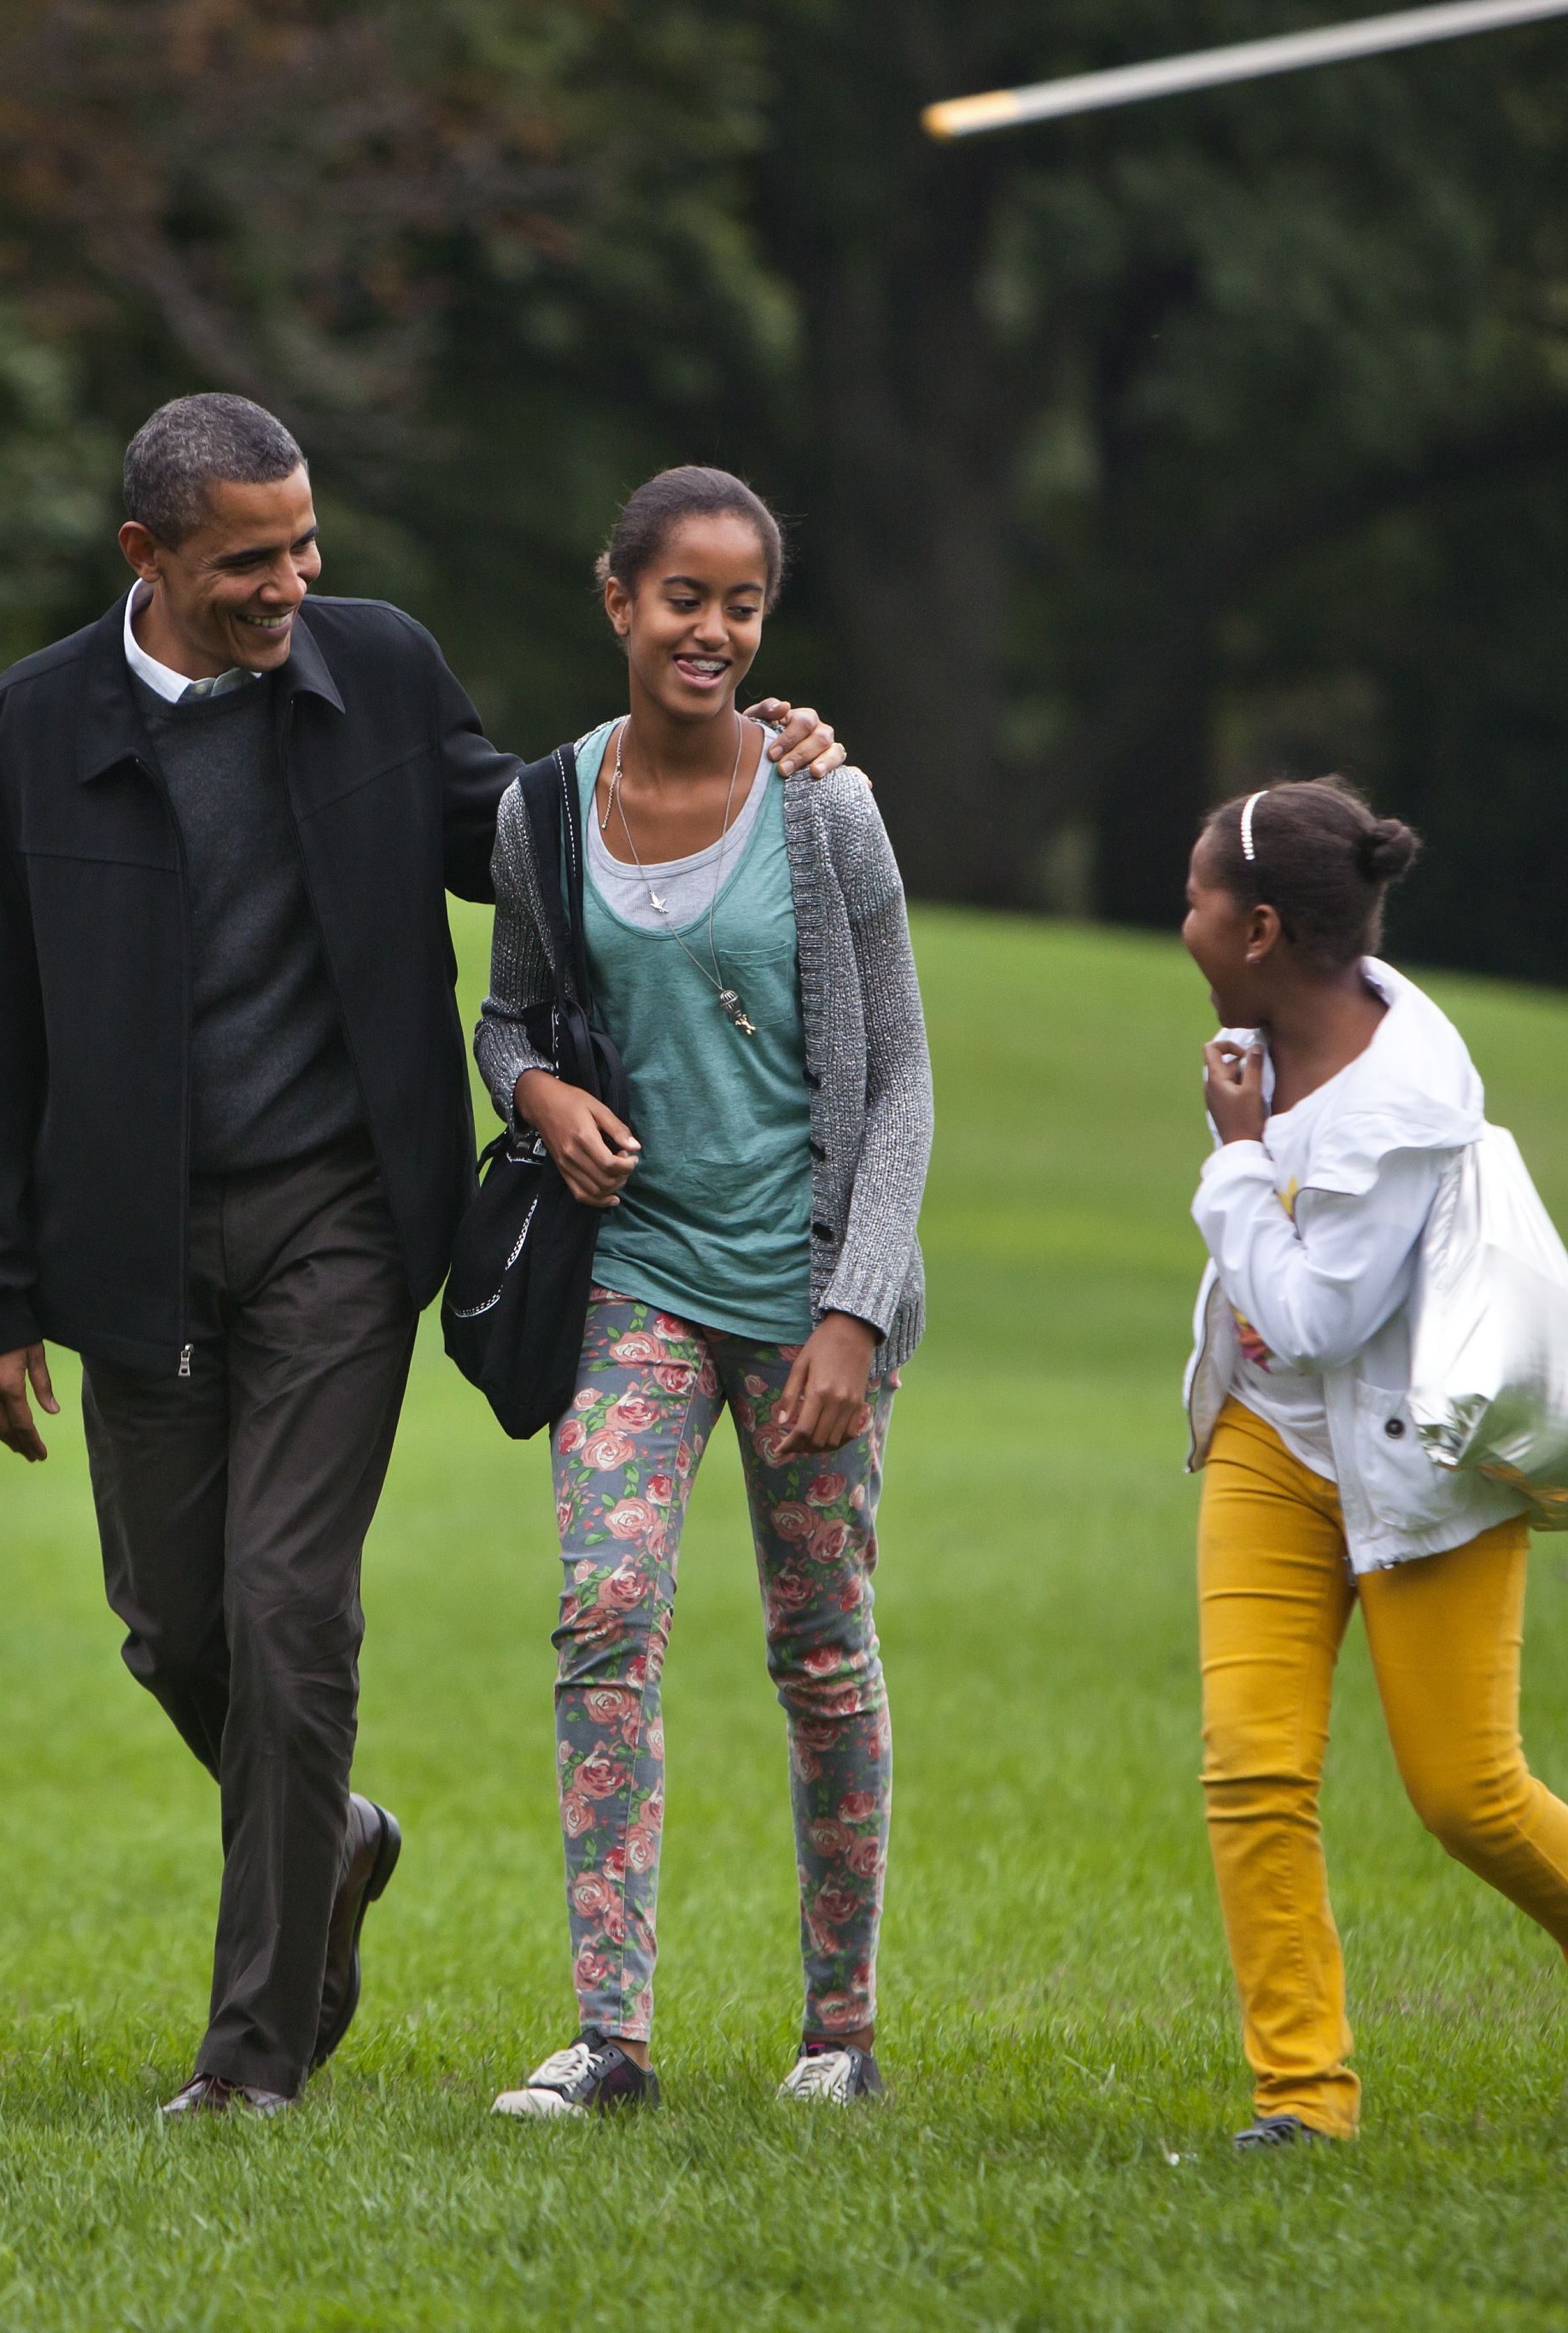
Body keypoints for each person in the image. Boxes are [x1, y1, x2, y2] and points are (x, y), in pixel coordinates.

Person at [0, 398, 851, 2117]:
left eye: (303, 544)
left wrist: (720, 738)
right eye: (247, 560)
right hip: (124, 1241)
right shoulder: (24, 734)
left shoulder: (380, 671)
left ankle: (250, 2058)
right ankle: (329, 1834)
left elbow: (532, 833)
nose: (291, 582)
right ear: (148, 559)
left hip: (338, 1214)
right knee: (171, 1624)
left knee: (286, 1613)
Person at [472, 468, 931, 2119]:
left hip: (806, 1295)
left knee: (821, 1648)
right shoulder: (542, 813)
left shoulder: (825, 810)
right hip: (637, 1283)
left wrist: (854, 1313)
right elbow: (508, 1019)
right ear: (618, 600)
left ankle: (841, 2035)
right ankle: (612, 2035)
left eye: (744, 605)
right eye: (685, 598)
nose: (714, 632)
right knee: (605, 1614)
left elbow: (903, 1084)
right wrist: (537, 1099)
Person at [1175, 778, 1568, 2149]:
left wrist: (1238, 1162)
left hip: (1424, 1467)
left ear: (1257, 930)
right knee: (1250, 1774)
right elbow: (1281, 1346)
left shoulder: (1400, 1112)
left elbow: (1314, 1314)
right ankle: (1303, 2102)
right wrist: (1249, 1142)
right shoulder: (1270, 1033)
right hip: (1270, 1445)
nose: (1175, 920)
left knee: (1467, 1794)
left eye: (1194, 899)